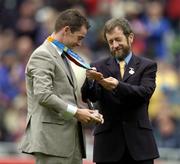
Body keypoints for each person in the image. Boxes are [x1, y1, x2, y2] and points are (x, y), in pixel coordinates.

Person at [19, 9, 103, 164]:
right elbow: (43, 95)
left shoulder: (60, 55)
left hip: (67, 142)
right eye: (79, 37)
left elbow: (62, 96)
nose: (80, 43)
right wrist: (77, 112)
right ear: (66, 30)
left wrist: (85, 111)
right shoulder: (43, 55)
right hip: (52, 142)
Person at [81, 18, 159, 164]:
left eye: (118, 39)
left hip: (140, 147)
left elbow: (144, 93)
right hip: (107, 146)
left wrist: (117, 85)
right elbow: (89, 96)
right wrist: (90, 81)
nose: (115, 45)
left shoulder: (147, 66)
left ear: (130, 37)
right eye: (110, 42)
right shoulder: (97, 66)